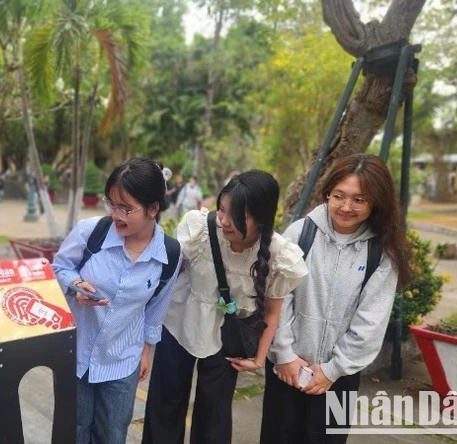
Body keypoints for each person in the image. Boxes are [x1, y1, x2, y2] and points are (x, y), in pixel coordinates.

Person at [143, 170, 308, 444]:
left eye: (237, 216)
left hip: (227, 337)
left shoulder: (280, 255)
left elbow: (272, 312)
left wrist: (258, 359)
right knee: (165, 403)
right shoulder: (200, 228)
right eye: (222, 210)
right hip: (179, 323)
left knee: (214, 415)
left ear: (263, 218)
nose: (224, 221)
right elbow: (168, 274)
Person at [262, 154, 411, 443]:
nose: (346, 207)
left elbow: (371, 322)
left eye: (359, 200)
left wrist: (332, 370)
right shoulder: (300, 233)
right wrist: (285, 356)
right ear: (327, 193)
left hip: (338, 377)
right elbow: (277, 298)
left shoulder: (381, 253)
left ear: (376, 203)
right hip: (286, 369)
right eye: (339, 196)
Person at [52, 157, 183, 444]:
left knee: (112, 434)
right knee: (73, 431)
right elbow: (59, 267)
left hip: (123, 359)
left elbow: (157, 307)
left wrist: (147, 350)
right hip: (77, 352)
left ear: (153, 208)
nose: (116, 214)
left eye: (126, 208)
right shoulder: (91, 232)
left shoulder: (169, 255)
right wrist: (75, 286)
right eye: (112, 204)